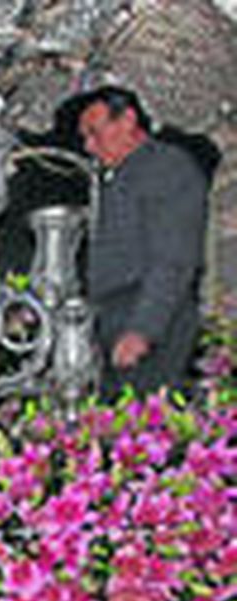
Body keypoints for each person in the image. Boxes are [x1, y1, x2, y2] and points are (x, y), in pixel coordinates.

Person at [77, 86, 211, 397]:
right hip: (112, 317)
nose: (89, 146)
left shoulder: (167, 168)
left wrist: (143, 330)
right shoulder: (120, 176)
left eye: (95, 133)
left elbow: (173, 259)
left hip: (148, 317)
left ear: (127, 120)